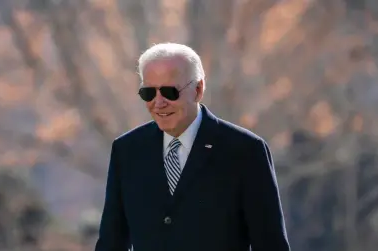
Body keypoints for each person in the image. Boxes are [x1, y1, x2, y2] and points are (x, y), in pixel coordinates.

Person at [95, 43, 290, 251]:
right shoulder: (127, 151)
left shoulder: (245, 152)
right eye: (149, 93)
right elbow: (111, 242)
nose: (159, 103)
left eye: (170, 92)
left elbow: (271, 245)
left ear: (198, 89)